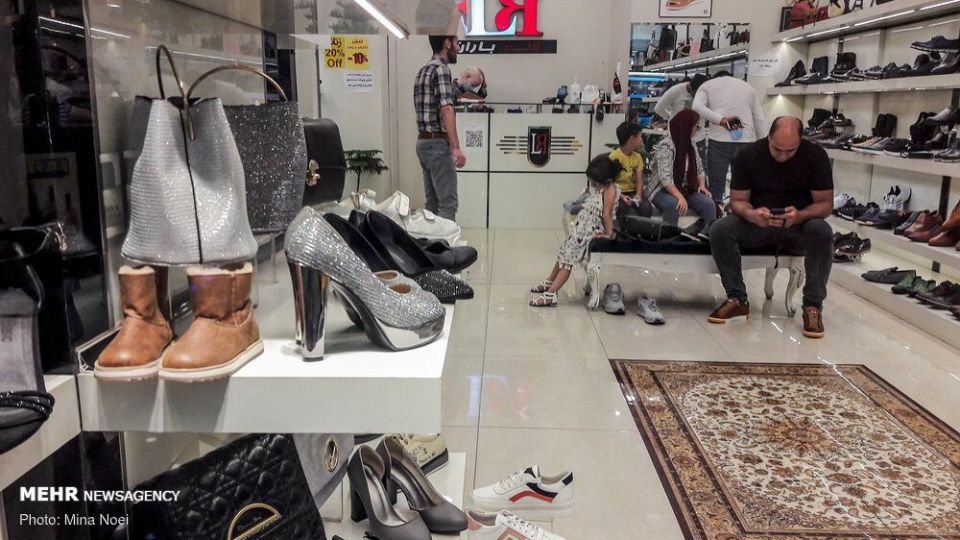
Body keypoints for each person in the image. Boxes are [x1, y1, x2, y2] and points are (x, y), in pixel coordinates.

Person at [707, 116, 834, 338]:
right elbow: (737, 201)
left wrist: (800, 215)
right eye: (777, 149)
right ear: (768, 137)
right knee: (720, 229)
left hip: (797, 227)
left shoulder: (816, 156)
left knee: (822, 231)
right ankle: (737, 298)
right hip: (758, 225)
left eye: (790, 151)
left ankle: (813, 306)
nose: (783, 156)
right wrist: (752, 214)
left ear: (801, 141)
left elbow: (825, 204)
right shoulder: (748, 155)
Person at [530, 155, 622, 307]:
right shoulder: (605, 188)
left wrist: (608, 233)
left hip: (588, 232)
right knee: (564, 253)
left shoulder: (610, 189)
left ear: (604, 179)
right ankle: (550, 282)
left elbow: (607, 213)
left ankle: (551, 294)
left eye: (594, 181)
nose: (592, 184)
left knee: (568, 261)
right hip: (582, 229)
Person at [692, 71, 766, 204]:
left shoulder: (707, 85)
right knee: (743, 184)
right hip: (746, 140)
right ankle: (739, 210)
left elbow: (696, 106)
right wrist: (763, 145)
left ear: (715, 77)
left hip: (719, 140)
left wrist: (721, 120)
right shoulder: (748, 87)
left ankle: (716, 210)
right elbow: (758, 118)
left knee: (716, 185)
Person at [415, 35, 465, 221]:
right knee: (448, 203)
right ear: (447, 43)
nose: (458, 48)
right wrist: (456, 147)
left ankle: (429, 239)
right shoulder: (441, 69)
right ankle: (447, 240)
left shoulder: (423, 71)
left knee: (432, 203)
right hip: (437, 144)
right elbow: (446, 109)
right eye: (457, 43)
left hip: (423, 143)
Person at [646, 109, 717, 238]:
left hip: (684, 187)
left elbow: (700, 168)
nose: (698, 129)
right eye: (696, 126)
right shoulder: (666, 146)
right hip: (661, 189)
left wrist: (702, 185)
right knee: (673, 205)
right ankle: (668, 239)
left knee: (709, 204)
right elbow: (665, 178)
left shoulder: (691, 144)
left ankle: (706, 237)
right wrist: (680, 197)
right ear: (687, 126)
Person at [609, 121, 650, 222]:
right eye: (640, 137)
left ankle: (642, 230)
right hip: (617, 192)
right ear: (632, 139)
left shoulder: (638, 157)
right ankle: (620, 231)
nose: (641, 140)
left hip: (632, 192)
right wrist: (621, 196)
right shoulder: (614, 156)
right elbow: (609, 183)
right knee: (621, 208)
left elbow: (639, 180)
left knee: (646, 208)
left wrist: (638, 195)